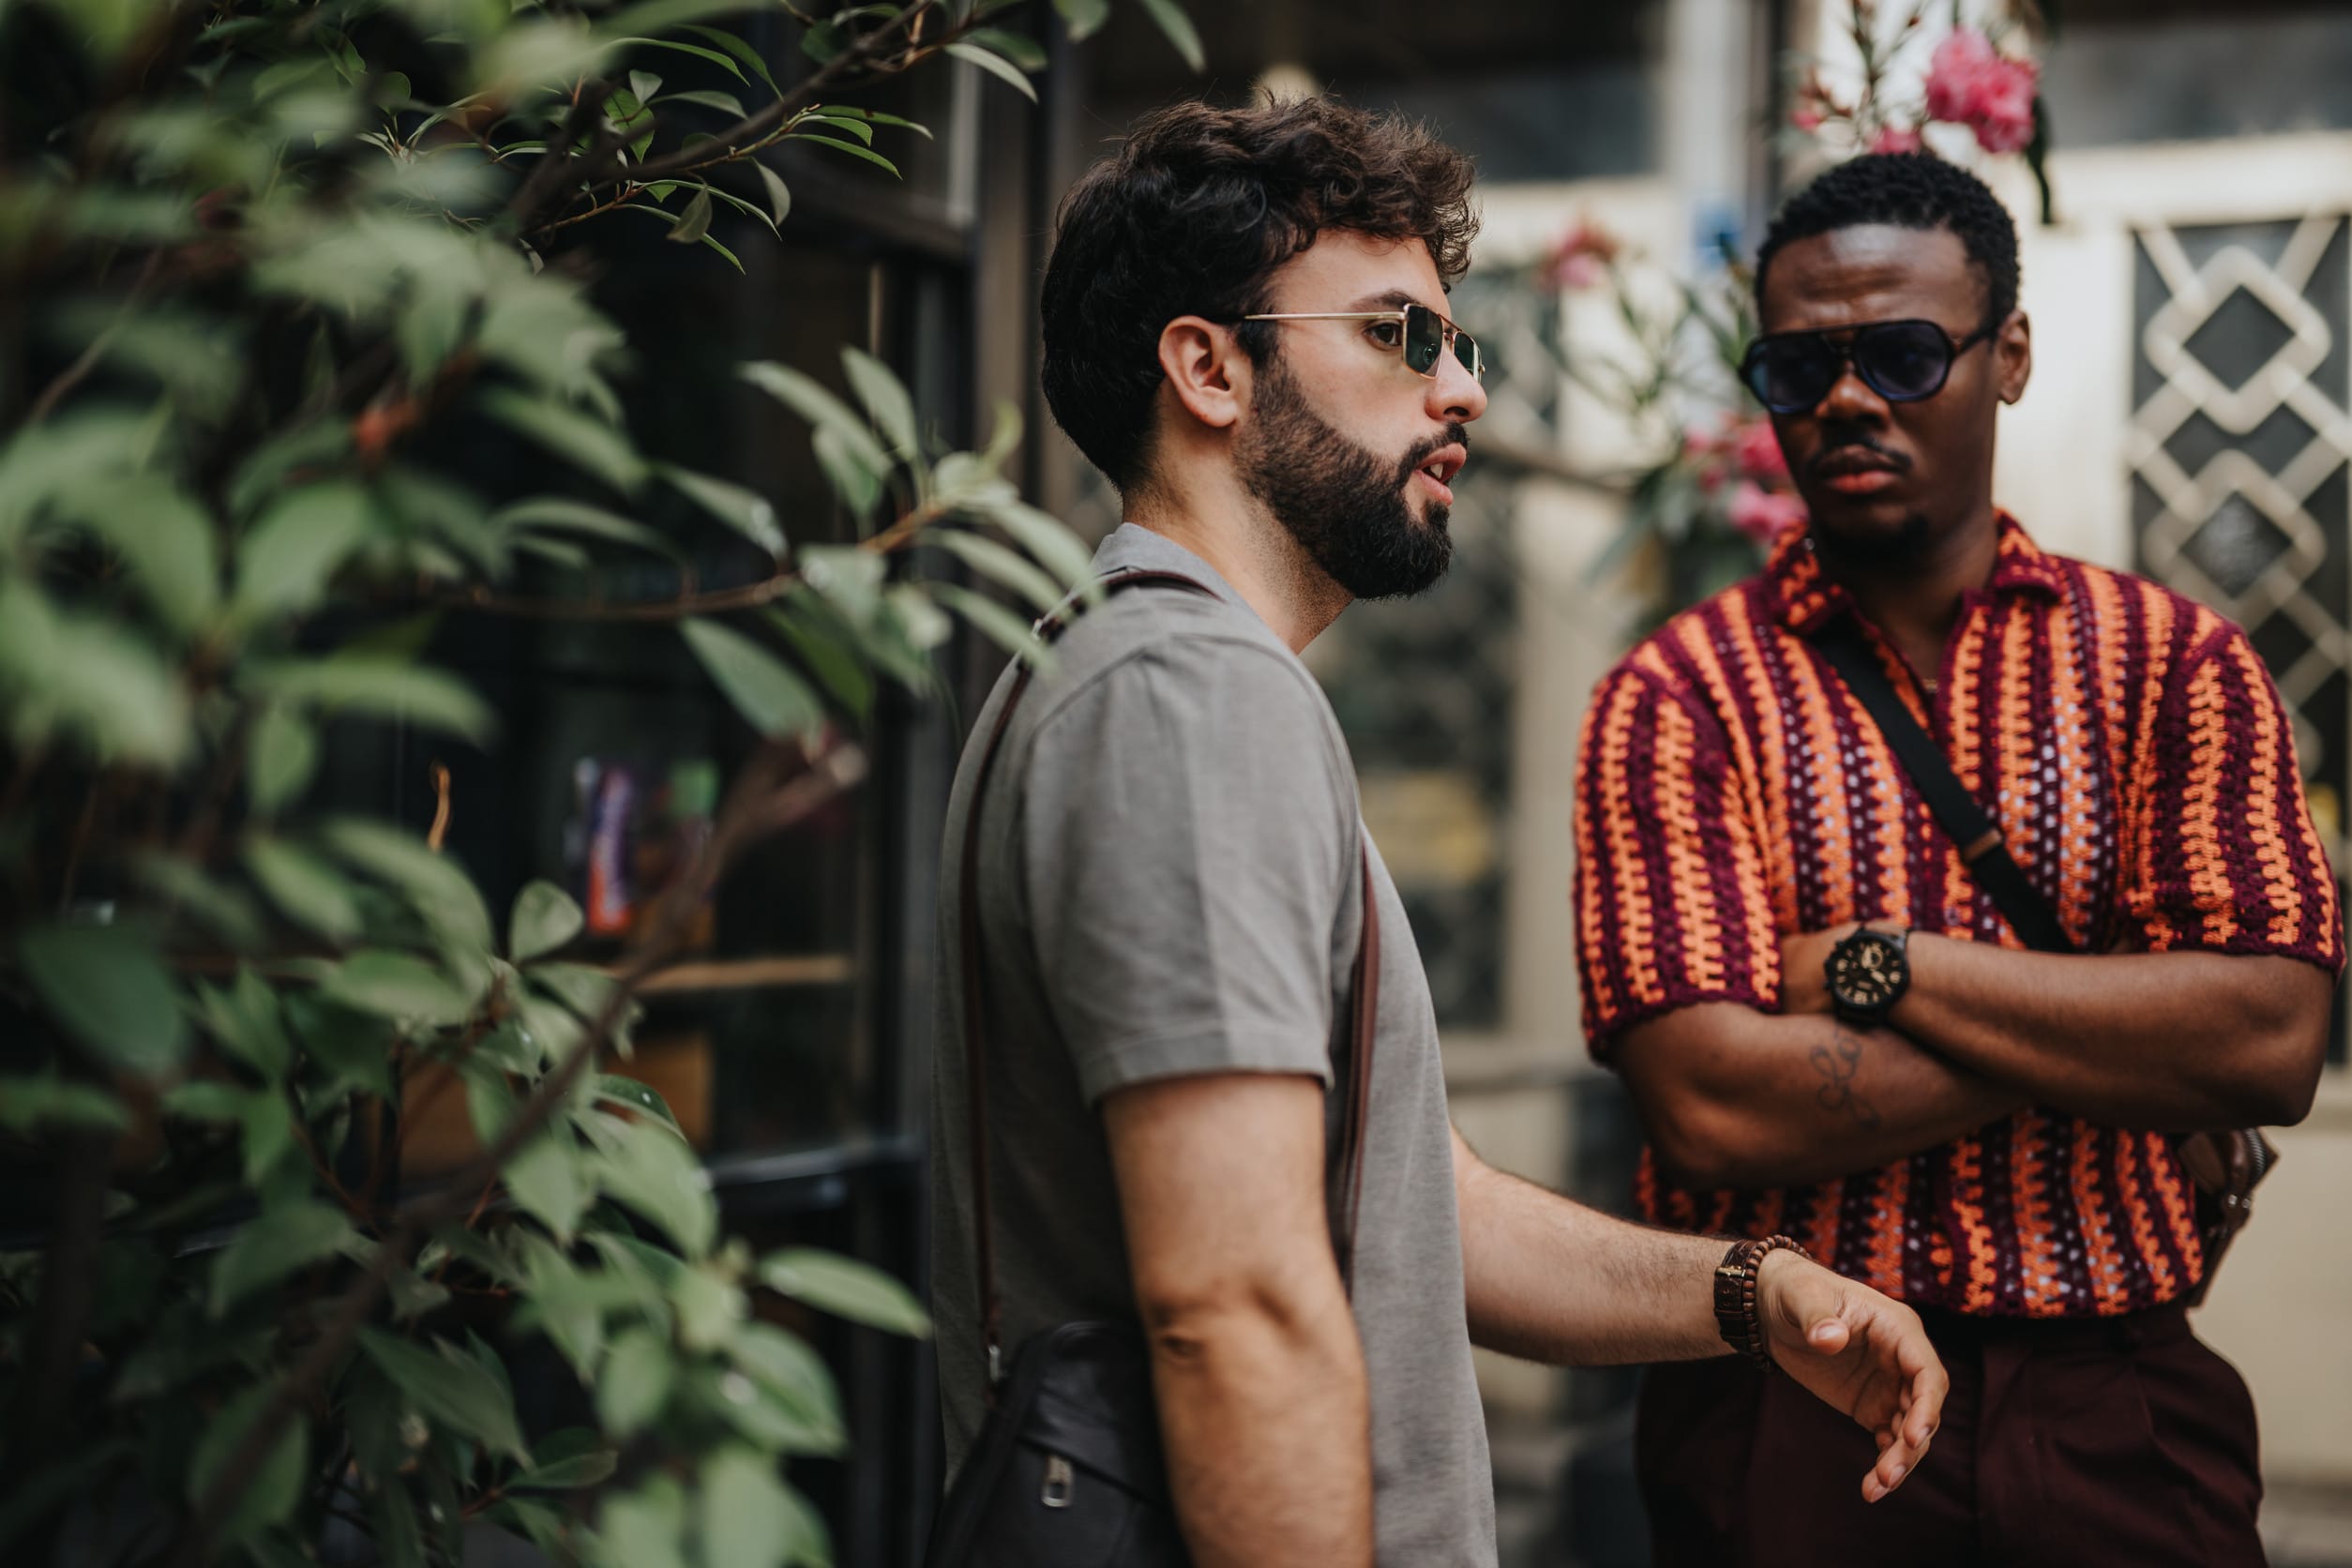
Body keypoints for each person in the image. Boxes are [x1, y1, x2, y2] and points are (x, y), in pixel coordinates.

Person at [929, 98, 1949, 1568]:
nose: (1460, 388)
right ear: (1209, 368)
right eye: (1403, 337)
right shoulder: (1188, 697)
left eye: (1463, 344)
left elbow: (1420, 1203)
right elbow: (1237, 1309)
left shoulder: (1135, 675)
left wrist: (1752, 1291)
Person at [1574, 151, 2342, 1568]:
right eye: (1801, 367)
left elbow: (2270, 1039)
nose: (1851, 398)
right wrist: (2127, 1013)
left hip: (2121, 1404)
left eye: (1906, 352)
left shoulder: (2172, 668)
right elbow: (1716, 1111)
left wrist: (1889, 971)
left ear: (2013, 358)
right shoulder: (1679, 698)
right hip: (1791, 1416)